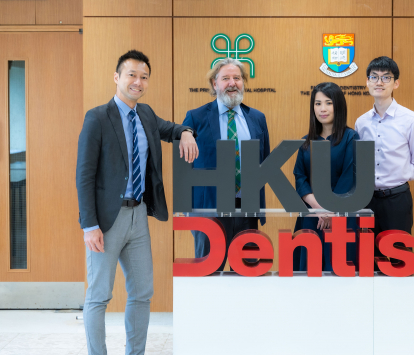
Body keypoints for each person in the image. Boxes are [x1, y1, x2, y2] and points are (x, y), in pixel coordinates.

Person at [76, 50, 198, 355]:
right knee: (99, 295)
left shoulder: (145, 114)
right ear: (117, 77)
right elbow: (84, 175)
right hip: (107, 220)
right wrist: (89, 225)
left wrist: (185, 132)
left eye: (144, 77)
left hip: (138, 216)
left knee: (143, 293)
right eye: (131, 75)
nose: (138, 82)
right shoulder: (98, 117)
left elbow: (169, 129)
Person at [182, 58, 270, 272]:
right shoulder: (196, 117)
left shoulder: (257, 118)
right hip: (209, 210)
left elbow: (264, 162)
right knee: (209, 275)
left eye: (237, 78)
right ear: (215, 83)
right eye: (226, 78)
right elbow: (185, 167)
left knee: (248, 273)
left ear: (243, 82)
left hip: (246, 209)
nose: (232, 83)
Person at [355, 56, 414, 263]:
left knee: (399, 260)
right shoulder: (361, 122)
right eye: (374, 77)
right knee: (367, 261)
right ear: (367, 82)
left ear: (396, 83)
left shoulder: (411, 119)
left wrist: (397, 177)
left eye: (386, 78)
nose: (379, 82)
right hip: (366, 201)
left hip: (397, 200)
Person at [293, 82, 360, 271]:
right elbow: (300, 177)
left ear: (338, 105)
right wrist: (318, 208)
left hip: (341, 217)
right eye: (317, 103)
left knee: (339, 269)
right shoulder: (306, 142)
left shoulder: (350, 138)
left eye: (328, 103)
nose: (322, 109)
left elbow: (350, 177)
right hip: (312, 216)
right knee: (309, 272)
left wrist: (331, 209)